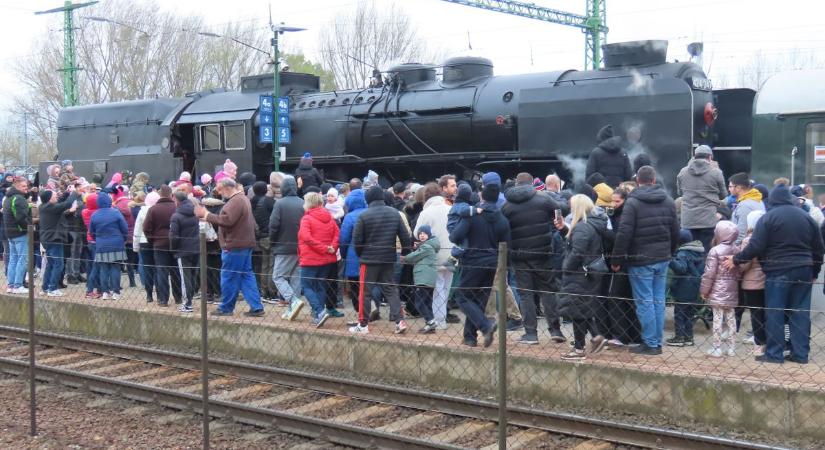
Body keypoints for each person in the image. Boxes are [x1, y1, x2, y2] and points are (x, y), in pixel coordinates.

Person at [729, 185, 824, 364]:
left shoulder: (768, 218)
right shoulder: (806, 217)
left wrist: (736, 259)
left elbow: (755, 247)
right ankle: (800, 354)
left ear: (772, 201)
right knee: (800, 313)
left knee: (775, 312)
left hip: (777, 269)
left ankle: (774, 354)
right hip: (804, 269)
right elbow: (818, 248)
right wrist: (815, 271)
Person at [611, 166, 679, 355]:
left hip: (640, 260)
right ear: (654, 179)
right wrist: (670, 252)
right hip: (662, 258)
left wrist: (616, 259)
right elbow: (675, 230)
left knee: (644, 302)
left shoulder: (633, 202)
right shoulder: (668, 200)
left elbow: (624, 233)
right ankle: (656, 342)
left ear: (638, 180)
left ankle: (650, 343)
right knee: (658, 300)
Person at [501, 172, 562, 344]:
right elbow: (561, 207)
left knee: (526, 294)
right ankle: (556, 330)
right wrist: (555, 222)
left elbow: (502, 229)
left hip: (519, 256)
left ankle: (531, 334)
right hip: (543, 253)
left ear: (516, 184)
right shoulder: (543, 199)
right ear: (532, 183)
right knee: (548, 290)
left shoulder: (506, 206)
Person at [448, 182, 510, 348]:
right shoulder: (502, 219)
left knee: (462, 297)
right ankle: (470, 337)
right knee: (478, 300)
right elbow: (506, 244)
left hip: (473, 261)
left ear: (482, 195)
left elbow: (454, 237)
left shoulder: (473, 215)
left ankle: (485, 326)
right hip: (492, 261)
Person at [197, 178, 264, 317]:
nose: (219, 192)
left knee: (229, 276)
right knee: (246, 275)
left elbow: (227, 220)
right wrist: (210, 217)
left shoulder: (235, 201)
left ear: (227, 188)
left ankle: (226, 307)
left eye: (220, 189)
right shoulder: (242, 198)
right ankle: (256, 307)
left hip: (234, 245)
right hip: (244, 243)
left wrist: (207, 215)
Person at [350, 186, 412, 334]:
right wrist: (405, 252)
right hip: (388, 258)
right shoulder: (394, 213)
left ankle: (363, 324)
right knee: (391, 290)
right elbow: (405, 236)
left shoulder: (364, 215)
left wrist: (361, 255)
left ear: (368, 199)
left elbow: (357, 240)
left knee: (365, 292)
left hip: (369, 259)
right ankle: (399, 321)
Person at [555, 194, 610, 360]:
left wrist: (566, 267)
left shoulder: (582, 227)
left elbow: (577, 251)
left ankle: (580, 348)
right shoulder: (590, 224)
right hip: (586, 273)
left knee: (576, 309)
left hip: (579, 273)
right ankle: (595, 338)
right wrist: (564, 229)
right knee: (580, 308)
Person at [414, 181, 455, 330]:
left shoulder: (426, 213)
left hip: (434, 255)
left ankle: (439, 321)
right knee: (446, 289)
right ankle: (442, 319)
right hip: (452, 255)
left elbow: (416, 233)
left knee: (437, 289)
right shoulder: (450, 209)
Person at [297, 192, 340, 327]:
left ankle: (319, 311)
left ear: (308, 203)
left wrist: (323, 248)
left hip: (311, 259)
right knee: (320, 286)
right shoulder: (330, 217)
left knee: (306, 286)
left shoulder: (306, 219)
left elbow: (306, 237)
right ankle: (318, 314)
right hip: (327, 259)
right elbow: (337, 234)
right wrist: (331, 247)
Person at [700, 221, 740, 357]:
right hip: (732, 289)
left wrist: (704, 291)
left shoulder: (715, 250)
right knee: (731, 319)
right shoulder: (737, 250)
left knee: (718, 319)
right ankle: (732, 348)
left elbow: (709, 274)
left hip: (717, 290)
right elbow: (739, 271)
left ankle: (717, 347)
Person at [676, 145, 727, 251]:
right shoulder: (716, 173)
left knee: (688, 253)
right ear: (710, 157)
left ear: (694, 156)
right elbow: (723, 195)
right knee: (706, 252)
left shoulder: (682, 172)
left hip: (688, 220)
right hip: (708, 220)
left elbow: (679, 192)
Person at [269, 176, 305, 317]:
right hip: (300, 247)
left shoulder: (279, 204)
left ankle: (293, 301)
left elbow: (273, 225)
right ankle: (291, 309)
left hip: (283, 246)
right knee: (296, 277)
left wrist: (273, 241)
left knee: (278, 276)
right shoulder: (302, 203)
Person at [142, 185, 181, 306]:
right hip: (175, 243)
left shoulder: (153, 209)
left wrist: (152, 240)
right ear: (171, 195)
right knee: (176, 271)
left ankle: (163, 299)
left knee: (161, 271)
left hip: (159, 244)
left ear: (160, 195)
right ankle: (178, 298)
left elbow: (146, 227)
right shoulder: (176, 208)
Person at [665, 230, 705, 347]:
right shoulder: (698, 252)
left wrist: (670, 261)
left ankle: (679, 337)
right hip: (694, 287)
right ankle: (689, 337)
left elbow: (682, 268)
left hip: (683, 286)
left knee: (679, 313)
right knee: (689, 313)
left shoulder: (682, 253)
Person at [38, 188, 79, 296]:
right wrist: (75, 192)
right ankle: (53, 289)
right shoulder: (50, 207)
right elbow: (67, 204)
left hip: (47, 239)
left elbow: (61, 202)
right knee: (58, 265)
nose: (56, 195)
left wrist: (66, 192)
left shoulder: (44, 207)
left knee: (51, 264)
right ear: (49, 198)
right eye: (54, 195)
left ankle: (45, 288)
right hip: (54, 239)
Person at [89, 192, 128, 300]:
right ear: (109, 201)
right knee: (115, 267)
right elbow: (124, 228)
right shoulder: (116, 212)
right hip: (117, 243)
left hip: (101, 245)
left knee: (103, 269)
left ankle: (105, 292)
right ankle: (116, 292)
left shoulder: (95, 215)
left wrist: (98, 240)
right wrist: (123, 239)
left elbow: (91, 232)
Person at [738, 210, 767, 357]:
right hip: (767, 281)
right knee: (766, 313)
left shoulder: (749, 240)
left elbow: (745, 264)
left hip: (752, 283)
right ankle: (768, 343)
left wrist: (736, 265)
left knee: (756, 315)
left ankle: (758, 346)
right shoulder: (769, 237)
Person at [402, 224, 440, 333]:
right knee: (427, 302)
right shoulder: (429, 246)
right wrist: (418, 247)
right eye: (420, 234)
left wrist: (405, 257)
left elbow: (413, 257)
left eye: (424, 233)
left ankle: (431, 321)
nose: (422, 236)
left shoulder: (426, 247)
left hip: (423, 278)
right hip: (429, 279)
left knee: (419, 302)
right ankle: (430, 325)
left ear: (429, 235)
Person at [169, 191, 200, 313]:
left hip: (183, 250)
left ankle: (187, 303)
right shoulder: (195, 212)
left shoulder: (176, 216)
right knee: (193, 276)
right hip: (196, 248)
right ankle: (190, 300)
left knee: (185, 277)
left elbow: (174, 236)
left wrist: (173, 249)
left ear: (176, 200)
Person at [3, 177, 31, 294]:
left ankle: (11, 285)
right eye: (24, 186)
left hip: (10, 233)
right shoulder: (19, 199)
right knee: (22, 259)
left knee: (13, 259)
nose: (26, 189)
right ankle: (18, 285)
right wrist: (29, 228)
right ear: (17, 186)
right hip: (20, 233)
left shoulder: (8, 198)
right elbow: (21, 218)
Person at [250, 181, 276, 303]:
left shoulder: (251, 202)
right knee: (272, 265)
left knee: (264, 265)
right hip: (270, 237)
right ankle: (272, 293)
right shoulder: (268, 201)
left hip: (259, 237)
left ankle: (263, 291)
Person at [133, 191, 159, 302]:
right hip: (158, 241)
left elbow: (137, 229)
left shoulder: (142, 211)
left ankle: (149, 295)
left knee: (147, 268)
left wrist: (135, 246)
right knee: (158, 268)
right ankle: (160, 294)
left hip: (144, 241)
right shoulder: (160, 210)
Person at [728, 173, 765, 245]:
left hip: (744, 248)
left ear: (738, 188)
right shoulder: (758, 200)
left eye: (730, 186)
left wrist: (734, 248)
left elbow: (742, 232)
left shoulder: (744, 205)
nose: (729, 189)